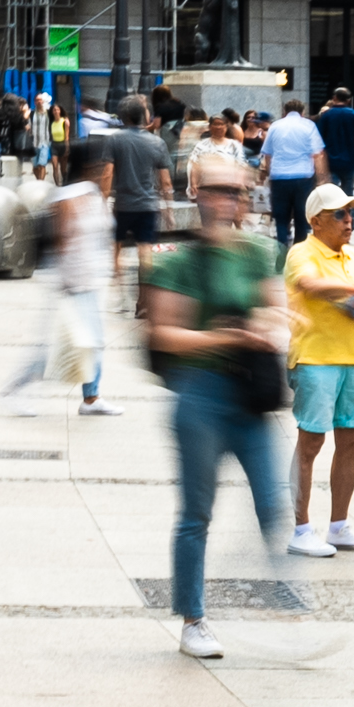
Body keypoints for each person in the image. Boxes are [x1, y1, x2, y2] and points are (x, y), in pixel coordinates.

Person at [140, 156, 289, 660]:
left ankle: (282, 593)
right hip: (200, 393)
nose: (229, 200)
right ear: (197, 193)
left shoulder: (260, 251)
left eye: (238, 191)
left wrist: (268, 326)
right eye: (219, 190)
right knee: (196, 514)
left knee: (274, 502)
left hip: (249, 395)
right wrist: (220, 336)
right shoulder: (176, 260)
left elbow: (276, 306)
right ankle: (193, 618)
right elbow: (161, 332)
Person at [283, 182, 354, 554]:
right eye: (340, 215)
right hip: (315, 359)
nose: (349, 222)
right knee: (310, 442)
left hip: (352, 360)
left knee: (351, 440)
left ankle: (339, 526)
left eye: (351, 214)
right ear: (315, 221)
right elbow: (307, 282)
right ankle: (300, 529)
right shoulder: (303, 252)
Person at [5, 141, 123, 418]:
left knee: (92, 341)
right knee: (58, 346)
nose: (107, 169)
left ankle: (91, 399)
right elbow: (62, 243)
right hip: (70, 284)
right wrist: (68, 285)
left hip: (89, 282)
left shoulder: (93, 193)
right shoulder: (68, 197)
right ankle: (16, 390)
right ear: (89, 165)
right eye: (102, 164)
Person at [109, 96, 173, 305]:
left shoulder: (115, 139)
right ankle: (143, 300)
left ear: (125, 116)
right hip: (148, 205)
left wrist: (102, 202)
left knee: (116, 247)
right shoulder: (157, 142)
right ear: (142, 116)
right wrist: (169, 210)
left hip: (123, 205)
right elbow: (165, 182)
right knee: (145, 251)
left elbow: (106, 174)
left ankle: (118, 292)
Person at [260, 96, 327, 248]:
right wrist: (321, 177)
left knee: (281, 217)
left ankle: (281, 247)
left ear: (284, 111)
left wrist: (270, 174)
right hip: (303, 176)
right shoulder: (309, 126)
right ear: (302, 112)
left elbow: (268, 154)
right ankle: (299, 249)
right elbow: (317, 154)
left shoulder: (275, 126)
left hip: (279, 176)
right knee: (301, 217)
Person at [317, 87, 354, 193]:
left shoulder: (326, 115)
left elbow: (318, 140)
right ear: (348, 100)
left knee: (332, 193)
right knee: (348, 193)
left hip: (331, 161)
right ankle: (347, 209)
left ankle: (334, 209)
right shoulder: (352, 114)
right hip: (349, 160)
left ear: (334, 98)